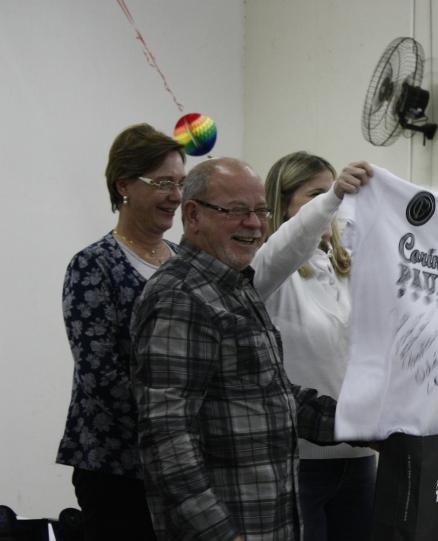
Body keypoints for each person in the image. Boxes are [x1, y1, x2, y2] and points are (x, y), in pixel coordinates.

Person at [129, 157, 370, 540]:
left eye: (260, 211)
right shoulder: (180, 295)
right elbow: (167, 438)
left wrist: (365, 425)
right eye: (237, 211)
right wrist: (221, 534)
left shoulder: (235, 288)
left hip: (269, 517)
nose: (255, 224)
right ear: (193, 215)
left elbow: (274, 396)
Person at [56, 123, 185, 540]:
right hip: (118, 467)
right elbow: (101, 376)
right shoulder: (93, 265)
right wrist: (176, 422)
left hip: (183, 465)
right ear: (124, 185)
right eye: (163, 183)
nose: (176, 196)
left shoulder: (185, 262)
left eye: (180, 183)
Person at [254, 151, 375, 541]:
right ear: (284, 205)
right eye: (315, 195)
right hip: (299, 461)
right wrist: (334, 196)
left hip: (360, 458)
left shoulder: (346, 270)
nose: (331, 205)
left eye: (333, 193)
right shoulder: (266, 269)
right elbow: (286, 248)